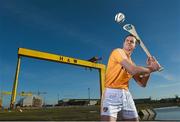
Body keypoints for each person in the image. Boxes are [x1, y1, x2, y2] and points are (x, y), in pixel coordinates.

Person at [101, 34, 161, 121]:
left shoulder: (132, 63)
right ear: (123, 43)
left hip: (126, 95)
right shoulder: (118, 52)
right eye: (127, 41)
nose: (129, 42)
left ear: (135, 46)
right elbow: (132, 70)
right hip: (111, 94)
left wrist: (149, 69)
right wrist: (152, 68)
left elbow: (142, 83)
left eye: (132, 41)